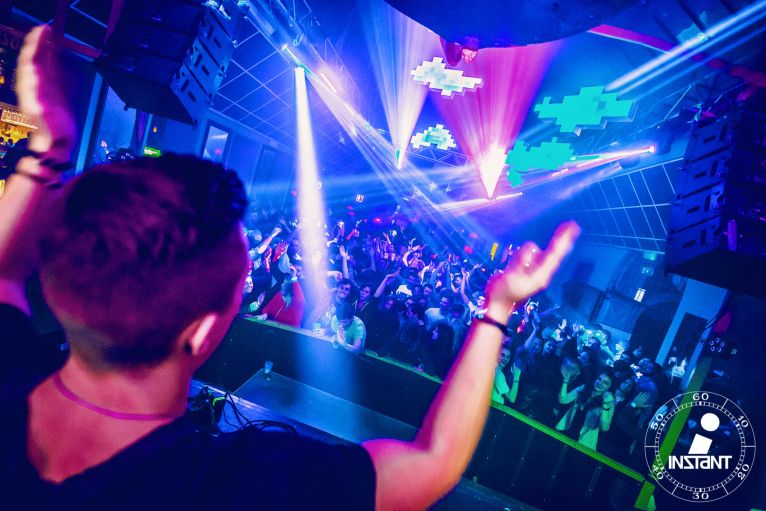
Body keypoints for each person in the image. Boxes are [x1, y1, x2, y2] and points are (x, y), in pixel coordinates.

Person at [0, 26, 579, 510]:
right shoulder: (242, 486)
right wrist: (498, 309)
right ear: (200, 332)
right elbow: (433, 462)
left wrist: (48, 150)